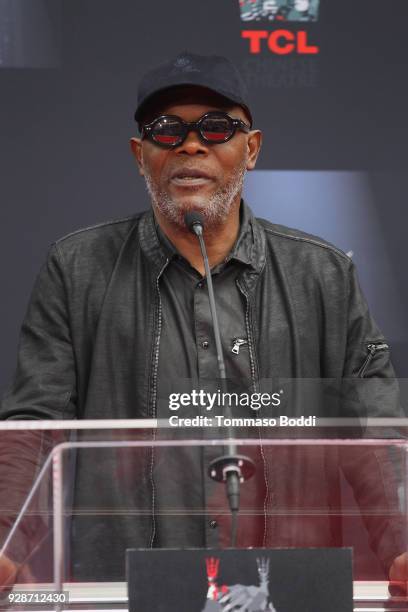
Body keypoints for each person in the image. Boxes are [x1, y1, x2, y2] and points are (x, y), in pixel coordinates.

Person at [0, 52, 407, 588]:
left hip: (291, 585)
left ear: (252, 149)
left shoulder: (324, 273)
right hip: (130, 587)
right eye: (167, 130)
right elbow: (35, 424)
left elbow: (375, 433)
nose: (192, 144)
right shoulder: (76, 268)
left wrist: (403, 543)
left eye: (217, 127)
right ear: (140, 156)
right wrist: (5, 539)